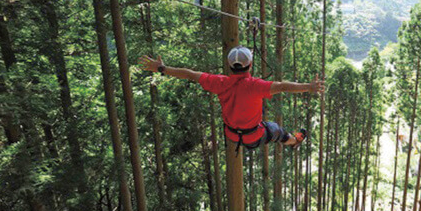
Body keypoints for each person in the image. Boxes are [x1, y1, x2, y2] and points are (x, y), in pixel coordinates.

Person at [139, 46, 324, 151]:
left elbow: (190, 75)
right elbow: (283, 86)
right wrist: (309, 87)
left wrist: (162, 68)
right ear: (250, 65)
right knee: (277, 130)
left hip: (231, 135)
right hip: (253, 137)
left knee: (269, 127)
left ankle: (293, 141)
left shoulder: (219, 82)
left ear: (229, 66)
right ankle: (295, 141)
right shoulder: (256, 86)